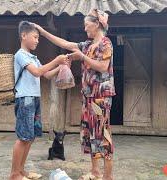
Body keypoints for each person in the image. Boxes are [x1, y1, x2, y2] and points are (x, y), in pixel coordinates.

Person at [33, 9, 116, 180]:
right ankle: (95, 172)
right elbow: (64, 43)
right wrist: (42, 31)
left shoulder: (106, 43)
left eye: (87, 25)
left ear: (97, 24)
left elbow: (102, 67)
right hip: (88, 95)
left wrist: (82, 58)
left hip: (101, 97)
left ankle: (108, 177)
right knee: (90, 134)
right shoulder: (87, 45)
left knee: (102, 135)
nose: (85, 29)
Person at [10, 21, 69, 180]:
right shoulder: (20, 55)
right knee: (23, 137)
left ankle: (22, 171)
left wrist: (61, 66)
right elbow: (36, 72)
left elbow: (47, 75)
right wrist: (57, 60)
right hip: (25, 99)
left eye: (38, 38)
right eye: (35, 37)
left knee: (31, 136)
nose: (37, 40)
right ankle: (14, 174)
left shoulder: (33, 57)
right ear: (24, 35)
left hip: (34, 99)